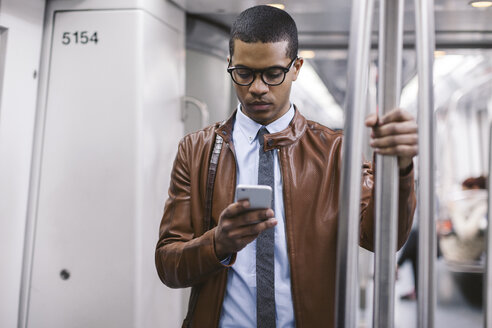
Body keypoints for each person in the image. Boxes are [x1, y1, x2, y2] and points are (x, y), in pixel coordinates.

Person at [155, 5, 417, 327]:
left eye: (273, 74)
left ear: (296, 68)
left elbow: (382, 239)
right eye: (244, 73)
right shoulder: (195, 150)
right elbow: (168, 264)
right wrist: (218, 243)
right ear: (230, 65)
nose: (257, 88)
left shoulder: (336, 151)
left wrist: (401, 170)